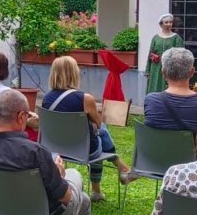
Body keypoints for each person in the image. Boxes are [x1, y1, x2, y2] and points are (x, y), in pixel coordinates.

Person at [43, 55, 131, 201]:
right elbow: (97, 123)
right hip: (83, 150)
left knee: (99, 134)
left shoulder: (46, 98)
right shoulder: (85, 98)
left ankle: (120, 169)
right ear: (74, 73)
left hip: (56, 148)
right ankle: (111, 177)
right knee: (101, 132)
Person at [141, 47, 197, 136]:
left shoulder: (151, 100)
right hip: (191, 150)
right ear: (192, 72)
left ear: (163, 72)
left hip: (155, 150)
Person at [145, 14, 184, 95]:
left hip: (169, 68)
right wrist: (148, 70)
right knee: (154, 89)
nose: (169, 24)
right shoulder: (155, 38)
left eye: (170, 22)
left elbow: (180, 55)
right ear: (161, 24)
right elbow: (150, 53)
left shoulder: (176, 38)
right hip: (155, 68)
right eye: (166, 22)